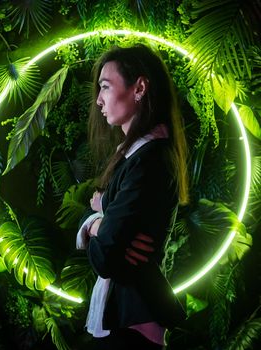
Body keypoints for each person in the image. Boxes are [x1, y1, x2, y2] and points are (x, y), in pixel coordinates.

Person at [76, 43, 189, 350]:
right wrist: (106, 220)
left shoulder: (149, 160)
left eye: (105, 86)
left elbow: (107, 259)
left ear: (139, 88)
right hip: (126, 319)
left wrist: (93, 224)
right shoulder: (136, 156)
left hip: (135, 326)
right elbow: (113, 241)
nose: (99, 100)